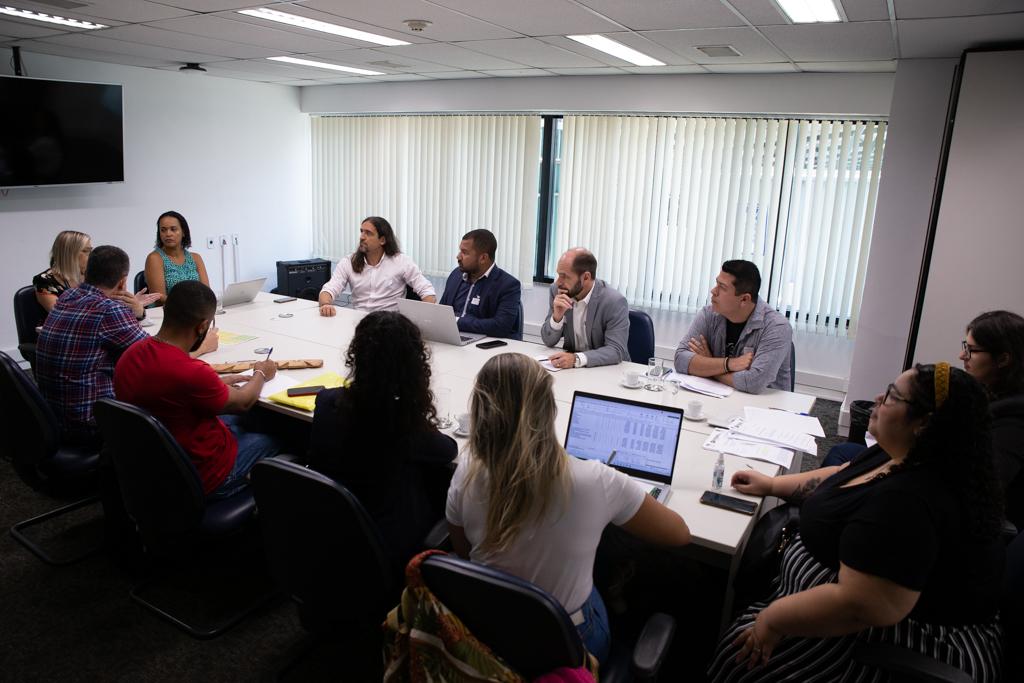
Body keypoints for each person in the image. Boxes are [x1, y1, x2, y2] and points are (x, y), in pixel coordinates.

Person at [708, 363, 1004, 682]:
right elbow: (843, 475)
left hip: (890, 641)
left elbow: (860, 606)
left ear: (923, 423)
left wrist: (772, 620)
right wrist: (771, 484)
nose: (878, 398)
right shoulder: (901, 453)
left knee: (738, 661)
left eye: (891, 396)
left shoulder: (910, 502)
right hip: (849, 607)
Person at [446, 353, 691, 664]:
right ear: (550, 410)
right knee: (600, 567)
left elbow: (463, 552)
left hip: (489, 631)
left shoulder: (466, 470)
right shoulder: (596, 479)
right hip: (568, 644)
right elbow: (679, 534)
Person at [308, 311, 456, 569]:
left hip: (331, 533)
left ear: (357, 356)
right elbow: (448, 450)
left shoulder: (327, 401)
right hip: (387, 549)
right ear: (412, 366)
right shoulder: (401, 423)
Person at [115, 281, 279, 498]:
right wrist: (261, 373)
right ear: (202, 327)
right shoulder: (191, 372)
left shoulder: (131, 353)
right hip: (203, 476)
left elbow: (171, 392)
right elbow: (243, 402)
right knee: (279, 437)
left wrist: (216, 385)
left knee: (242, 422)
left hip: (150, 468)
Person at [35, 245, 161, 446]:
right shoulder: (109, 310)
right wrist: (202, 347)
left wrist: (135, 313)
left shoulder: (68, 296)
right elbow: (157, 357)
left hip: (51, 416)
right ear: (123, 282)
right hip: (90, 423)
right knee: (166, 397)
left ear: (87, 272)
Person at [673, 260, 792, 393]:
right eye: (716, 283)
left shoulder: (777, 326)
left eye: (722, 287)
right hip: (719, 397)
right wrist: (729, 364)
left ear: (744, 299)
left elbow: (754, 382)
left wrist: (709, 365)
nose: (713, 291)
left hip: (763, 404)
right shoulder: (709, 314)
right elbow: (680, 360)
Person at [963, 310, 1024, 529]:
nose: (962, 356)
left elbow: (981, 489)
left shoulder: (1014, 422)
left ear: (1003, 359)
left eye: (971, 350)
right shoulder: (988, 398)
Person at [318, 216, 435, 315]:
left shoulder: (401, 262)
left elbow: (428, 292)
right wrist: (326, 304)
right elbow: (329, 289)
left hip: (390, 323)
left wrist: (422, 318)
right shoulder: (348, 262)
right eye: (361, 231)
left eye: (368, 233)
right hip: (360, 321)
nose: (362, 237)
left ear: (382, 240)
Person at [539, 248, 629, 369]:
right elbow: (548, 340)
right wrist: (557, 317)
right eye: (558, 275)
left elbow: (616, 350)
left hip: (606, 369)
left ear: (586, 277)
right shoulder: (558, 291)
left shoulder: (614, 301)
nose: (558, 282)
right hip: (572, 371)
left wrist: (576, 359)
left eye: (564, 276)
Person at [438, 229, 523, 340]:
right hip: (452, 338)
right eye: (460, 251)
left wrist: (457, 321)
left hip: (486, 343)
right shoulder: (456, 275)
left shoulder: (508, 285)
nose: (458, 257)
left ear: (483, 258)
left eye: (465, 253)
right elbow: (441, 313)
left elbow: (500, 326)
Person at [144, 210, 210, 303]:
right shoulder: (154, 258)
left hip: (196, 309)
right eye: (163, 230)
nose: (168, 234)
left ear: (183, 232)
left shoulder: (196, 258)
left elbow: (206, 292)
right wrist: (187, 305)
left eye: (173, 229)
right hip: (167, 309)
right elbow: (158, 297)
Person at [33, 230, 91, 312]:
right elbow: (60, 314)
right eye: (85, 251)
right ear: (69, 254)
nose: (91, 256)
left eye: (90, 251)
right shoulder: (44, 281)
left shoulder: (91, 275)